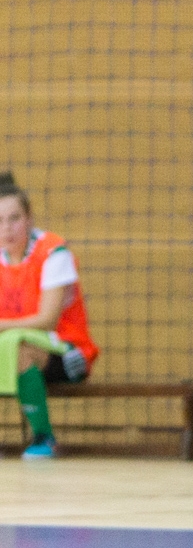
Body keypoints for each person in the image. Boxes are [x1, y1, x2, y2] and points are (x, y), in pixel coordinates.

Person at [0, 173, 98, 459]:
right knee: (15, 345)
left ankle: (44, 437)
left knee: (21, 349)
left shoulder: (53, 253)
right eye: (0, 220)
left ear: (29, 219)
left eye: (14, 219)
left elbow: (47, 320)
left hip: (67, 352)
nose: (6, 228)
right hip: (10, 344)